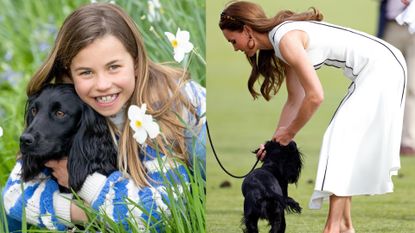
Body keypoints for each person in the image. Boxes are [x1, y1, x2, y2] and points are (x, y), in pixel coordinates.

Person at [2, 2, 206, 232]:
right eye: (86, 72)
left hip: (206, 178)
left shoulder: (161, 106)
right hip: (124, 196)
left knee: (204, 142)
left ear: (136, 63)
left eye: (113, 67)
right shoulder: (71, 101)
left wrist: (84, 185)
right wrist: (83, 214)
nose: (102, 85)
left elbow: (159, 214)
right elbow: (12, 195)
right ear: (70, 73)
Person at [219, 1, 406, 233]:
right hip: (382, 66)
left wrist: (290, 133)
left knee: (337, 141)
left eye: (232, 40)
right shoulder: (281, 41)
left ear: (246, 30)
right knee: (341, 142)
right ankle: (345, 226)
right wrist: (274, 143)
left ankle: (333, 228)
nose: (234, 47)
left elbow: (315, 96)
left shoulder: (285, 40)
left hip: (383, 67)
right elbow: (294, 99)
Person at [378, 0, 415, 155]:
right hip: (391, 26)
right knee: (387, 86)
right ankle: (385, 139)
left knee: (412, 87)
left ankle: (408, 141)